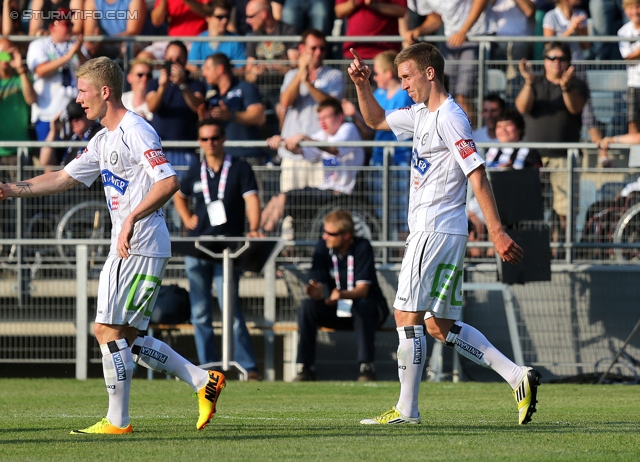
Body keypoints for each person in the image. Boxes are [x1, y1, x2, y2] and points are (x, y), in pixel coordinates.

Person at [0, 56, 225, 434]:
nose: (79, 99)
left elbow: (168, 182)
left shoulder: (136, 130)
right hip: (138, 244)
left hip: (137, 243)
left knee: (106, 331)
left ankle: (118, 421)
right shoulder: (103, 139)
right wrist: (10, 189)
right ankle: (204, 381)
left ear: (105, 92)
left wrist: (131, 220)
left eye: (84, 92)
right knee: (127, 340)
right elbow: (61, 178)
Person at [348, 43, 540, 426]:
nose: (404, 85)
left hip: (433, 229)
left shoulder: (451, 117)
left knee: (406, 315)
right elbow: (375, 121)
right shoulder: (420, 114)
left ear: (429, 73)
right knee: (439, 326)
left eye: (407, 77)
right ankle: (517, 376)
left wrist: (497, 233)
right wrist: (362, 86)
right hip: (443, 232)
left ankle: (406, 410)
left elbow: (477, 174)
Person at [173, 118, 262, 381]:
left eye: (214, 138)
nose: (209, 144)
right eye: (204, 139)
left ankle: (248, 366)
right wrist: (186, 218)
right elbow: (178, 193)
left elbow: (252, 199)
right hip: (198, 248)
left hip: (228, 250)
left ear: (223, 139)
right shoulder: (194, 169)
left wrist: (254, 227)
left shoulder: (239, 168)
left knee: (230, 309)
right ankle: (207, 367)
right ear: (199, 142)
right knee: (200, 312)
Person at [294, 210, 389, 382]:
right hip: (335, 309)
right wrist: (315, 292)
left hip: (365, 310)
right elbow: (318, 285)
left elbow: (363, 289)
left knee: (364, 304)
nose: (325, 237)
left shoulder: (362, 246)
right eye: (324, 232)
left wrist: (341, 294)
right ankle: (305, 367)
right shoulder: (323, 248)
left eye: (330, 233)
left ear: (346, 236)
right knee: (307, 306)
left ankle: (366, 367)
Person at [515, 41, 588, 249]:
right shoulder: (534, 82)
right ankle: (530, 250)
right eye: (552, 58)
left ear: (569, 62)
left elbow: (575, 108)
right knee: (528, 206)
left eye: (562, 58)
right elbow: (522, 107)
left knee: (565, 209)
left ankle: (562, 250)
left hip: (563, 156)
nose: (557, 62)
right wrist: (528, 82)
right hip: (533, 157)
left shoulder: (577, 84)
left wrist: (565, 88)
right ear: (544, 61)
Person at [260, 97, 364, 237]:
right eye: (319, 118)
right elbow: (302, 150)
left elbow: (334, 149)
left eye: (326, 117)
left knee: (285, 197)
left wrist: (305, 138)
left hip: (340, 192)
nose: (322, 122)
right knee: (276, 198)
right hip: (324, 189)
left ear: (340, 116)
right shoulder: (324, 135)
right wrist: (282, 142)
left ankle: (265, 233)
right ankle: (257, 233)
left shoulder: (348, 129)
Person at [402, 0, 495, 127]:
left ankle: (470, 137)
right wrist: (419, 31)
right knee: (445, 93)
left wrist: (463, 31)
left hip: (475, 37)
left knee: (464, 94)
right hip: (450, 42)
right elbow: (434, 19)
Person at [277, 29, 345, 193]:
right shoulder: (291, 75)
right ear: (302, 49)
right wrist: (301, 73)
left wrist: (307, 83)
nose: (318, 52)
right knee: (290, 208)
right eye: (313, 48)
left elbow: (331, 105)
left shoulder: (334, 76)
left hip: (319, 154)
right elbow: (285, 101)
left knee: (318, 208)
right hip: (291, 153)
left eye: (322, 48)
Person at [467, 109, 542, 257]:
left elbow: (536, 182)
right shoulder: (489, 150)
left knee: (497, 223)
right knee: (472, 222)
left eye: (508, 126)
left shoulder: (529, 152)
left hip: (512, 206)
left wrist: (513, 172)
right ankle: (478, 261)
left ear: (519, 128)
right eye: (500, 126)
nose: (503, 130)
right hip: (484, 200)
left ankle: (491, 260)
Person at [367, 50, 414, 240]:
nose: (375, 77)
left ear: (387, 73)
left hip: (400, 160)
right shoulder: (378, 93)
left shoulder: (404, 95)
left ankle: (402, 255)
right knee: (382, 210)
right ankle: (386, 249)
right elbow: (371, 123)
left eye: (376, 73)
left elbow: (390, 124)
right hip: (379, 158)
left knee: (402, 211)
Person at [26, 9, 86, 148]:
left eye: (71, 24)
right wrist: (68, 57)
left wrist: (79, 54)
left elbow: (90, 71)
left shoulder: (76, 45)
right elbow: (40, 71)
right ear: (53, 26)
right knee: (50, 162)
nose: (71, 27)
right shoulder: (39, 45)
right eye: (66, 24)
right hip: (47, 113)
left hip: (75, 114)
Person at [146, 40, 206, 177]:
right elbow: (151, 106)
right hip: (159, 151)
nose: (174, 63)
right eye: (170, 59)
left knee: (184, 193)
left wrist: (182, 84)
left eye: (178, 59)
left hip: (186, 150)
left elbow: (197, 106)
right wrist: (162, 87)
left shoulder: (196, 85)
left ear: (185, 61)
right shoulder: (155, 84)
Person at [199, 52, 267, 163]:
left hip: (248, 157)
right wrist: (206, 119)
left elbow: (259, 117)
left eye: (207, 68)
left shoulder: (245, 88)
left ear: (220, 69)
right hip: (222, 160)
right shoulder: (213, 96)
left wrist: (230, 115)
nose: (204, 74)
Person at [244, 0, 299, 125]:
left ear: (263, 14)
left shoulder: (287, 31)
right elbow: (248, 75)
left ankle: (283, 143)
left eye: (251, 16)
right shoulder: (253, 37)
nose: (247, 20)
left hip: (283, 88)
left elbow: (295, 66)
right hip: (259, 89)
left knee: (282, 109)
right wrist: (254, 73)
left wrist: (270, 66)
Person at [0, 38, 36, 183]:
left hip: (19, 149)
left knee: (22, 199)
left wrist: (20, 69)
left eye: (8, 54)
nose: (5, 58)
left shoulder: (22, 78)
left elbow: (31, 99)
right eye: (1, 54)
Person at [334, 0, 407, 60]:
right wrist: (354, 3)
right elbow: (339, 12)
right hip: (353, 53)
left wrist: (375, 4)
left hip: (384, 54)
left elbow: (402, 10)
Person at [187, 0, 246, 72]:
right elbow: (192, 67)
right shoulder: (199, 40)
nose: (225, 20)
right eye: (220, 17)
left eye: (227, 17)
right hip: (203, 83)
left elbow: (241, 70)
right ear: (208, 18)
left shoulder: (236, 41)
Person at [39, 100, 102, 167]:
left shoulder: (99, 134)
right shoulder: (71, 137)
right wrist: (53, 132)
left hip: (90, 176)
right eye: (71, 118)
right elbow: (45, 161)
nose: (74, 121)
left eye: (78, 116)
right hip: (71, 176)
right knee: (49, 169)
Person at [618, 0, 640, 134]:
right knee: (633, 122)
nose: (635, 11)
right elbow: (628, 59)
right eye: (630, 8)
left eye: (638, 7)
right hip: (634, 84)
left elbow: (631, 56)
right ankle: (635, 154)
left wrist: (635, 54)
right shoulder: (624, 31)